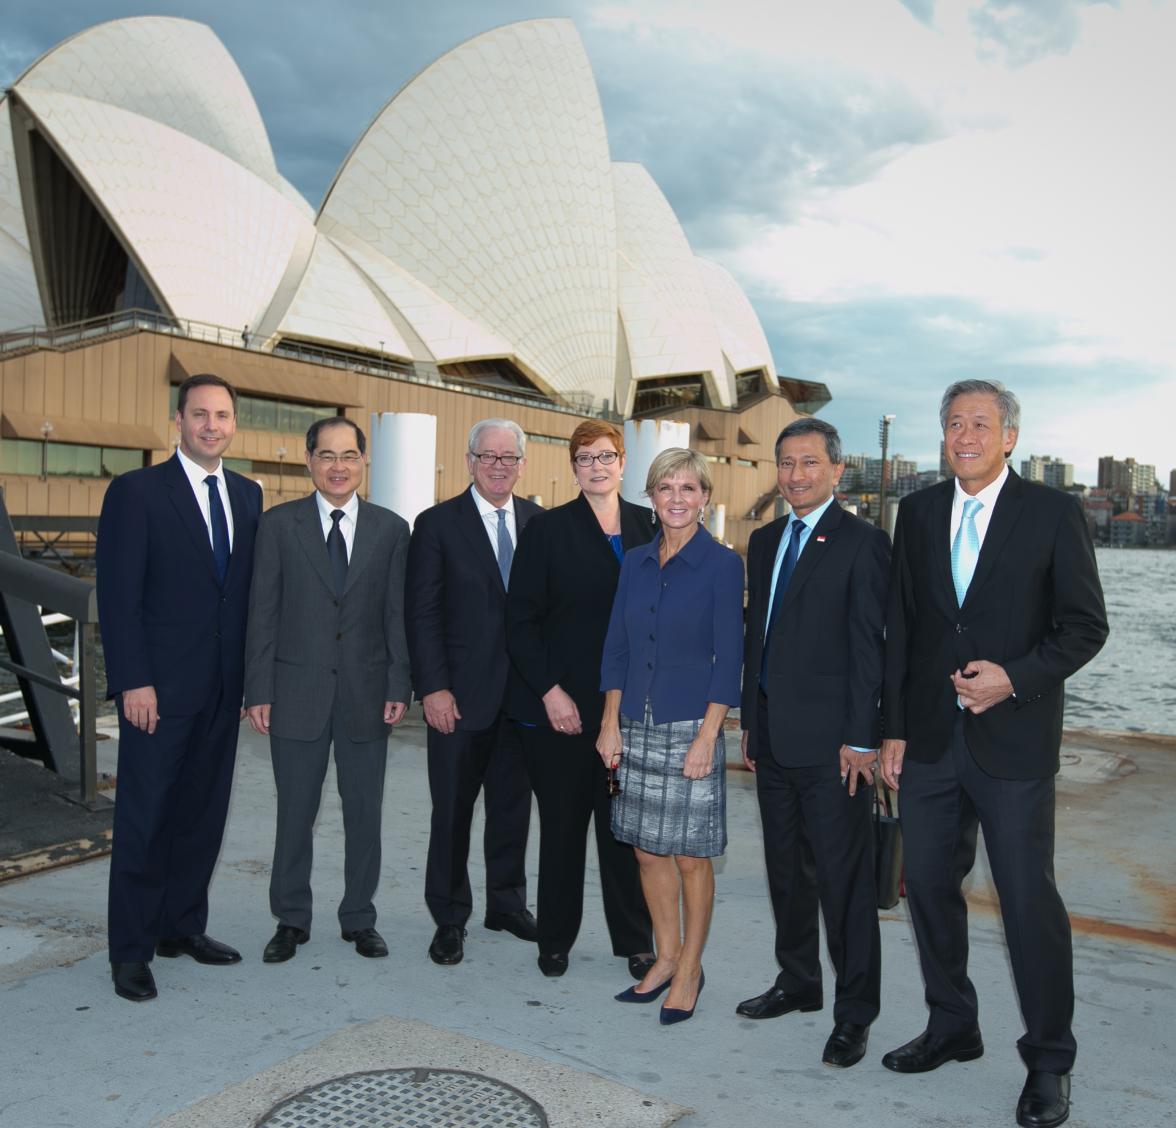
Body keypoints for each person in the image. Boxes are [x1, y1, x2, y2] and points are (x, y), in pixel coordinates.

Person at [881, 380, 1108, 1128]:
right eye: (953, 423)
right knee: (932, 893)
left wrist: (1016, 678)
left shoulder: (1052, 513)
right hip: (931, 744)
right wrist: (893, 730)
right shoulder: (914, 514)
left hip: (1014, 746)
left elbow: (1083, 627)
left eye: (980, 423)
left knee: (1026, 901)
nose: (964, 435)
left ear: (1010, 436)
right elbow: (903, 631)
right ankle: (953, 1025)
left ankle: (1049, 1060)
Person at [97, 373, 262, 1002]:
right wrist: (133, 680)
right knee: (146, 819)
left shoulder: (248, 495)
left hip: (222, 690)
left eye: (223, 415)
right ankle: (131, 953)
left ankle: (181, 927)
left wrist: (251, 683)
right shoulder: (137, 493)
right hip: (157, 694)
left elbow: (242, 598)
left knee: (201, 816)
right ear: (179, 421)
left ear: (233, 424)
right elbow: (119, 597)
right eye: (200, 415)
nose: (212, 425)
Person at [736, 418, 889, 1066]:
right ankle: (798, 982)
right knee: (785, 875)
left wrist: (862, 740)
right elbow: (758, 639)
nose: (795, 475)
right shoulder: (766, 539)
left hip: (835, 751)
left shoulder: (863, 543)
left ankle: (854, 1014)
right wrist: (748, 721)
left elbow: (868, 652)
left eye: (807, 463)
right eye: (786, 464)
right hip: (771, 739)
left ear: (836, 469)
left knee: (844, 885)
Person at [244, 417, 411, 964]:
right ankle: (290, 919)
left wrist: (399, 683)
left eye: (348, 456)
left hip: (367, 693)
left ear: (364, 462)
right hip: (295, 693)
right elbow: (261, 613)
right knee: (295, 813)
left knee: (365, 813)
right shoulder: (278, 526)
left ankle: (359, 918)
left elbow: (396, 615)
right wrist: (258, 690)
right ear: (309, 461)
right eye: (326, 455)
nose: (338, 466)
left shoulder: (391, 530)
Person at [597, 448, 743, 1024]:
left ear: (705, 498)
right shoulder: (633, 561)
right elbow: (617, 647)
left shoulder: (722, 565)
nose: (676, 499)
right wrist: (610, 722)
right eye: (665, 488)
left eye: (688, 488)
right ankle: (665, 956)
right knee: (644, 847)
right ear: (651, 497)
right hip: (634, 722)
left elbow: (728, 658)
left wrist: (709, 735)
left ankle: (689, 970)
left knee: (689, 856)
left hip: (690, 726)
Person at [505, 419, 655, 979]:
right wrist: (550, 692)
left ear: (623, 463)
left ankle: (635, 940)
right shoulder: (548, 530)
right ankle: (555, 938)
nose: (597, 465)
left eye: (607, 455)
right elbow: (520, 620)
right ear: (573, 468)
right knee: (564, 829)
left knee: (624, 831)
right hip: (564, 709)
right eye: (585, 457)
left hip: (632, 711)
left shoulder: (650, 526)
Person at [406, 418, 541, 966]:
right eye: (489, 457)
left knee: (512, 809)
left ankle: (506, 904)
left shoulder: (538, 522)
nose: (499, 466)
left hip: (522, 699)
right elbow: (422, 613)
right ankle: (449, 916)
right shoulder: (436, 524)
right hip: (459, 699)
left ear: (521, 465)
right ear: (469, 460)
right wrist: (433, 688)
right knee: (453, 812)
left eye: (509, 458)